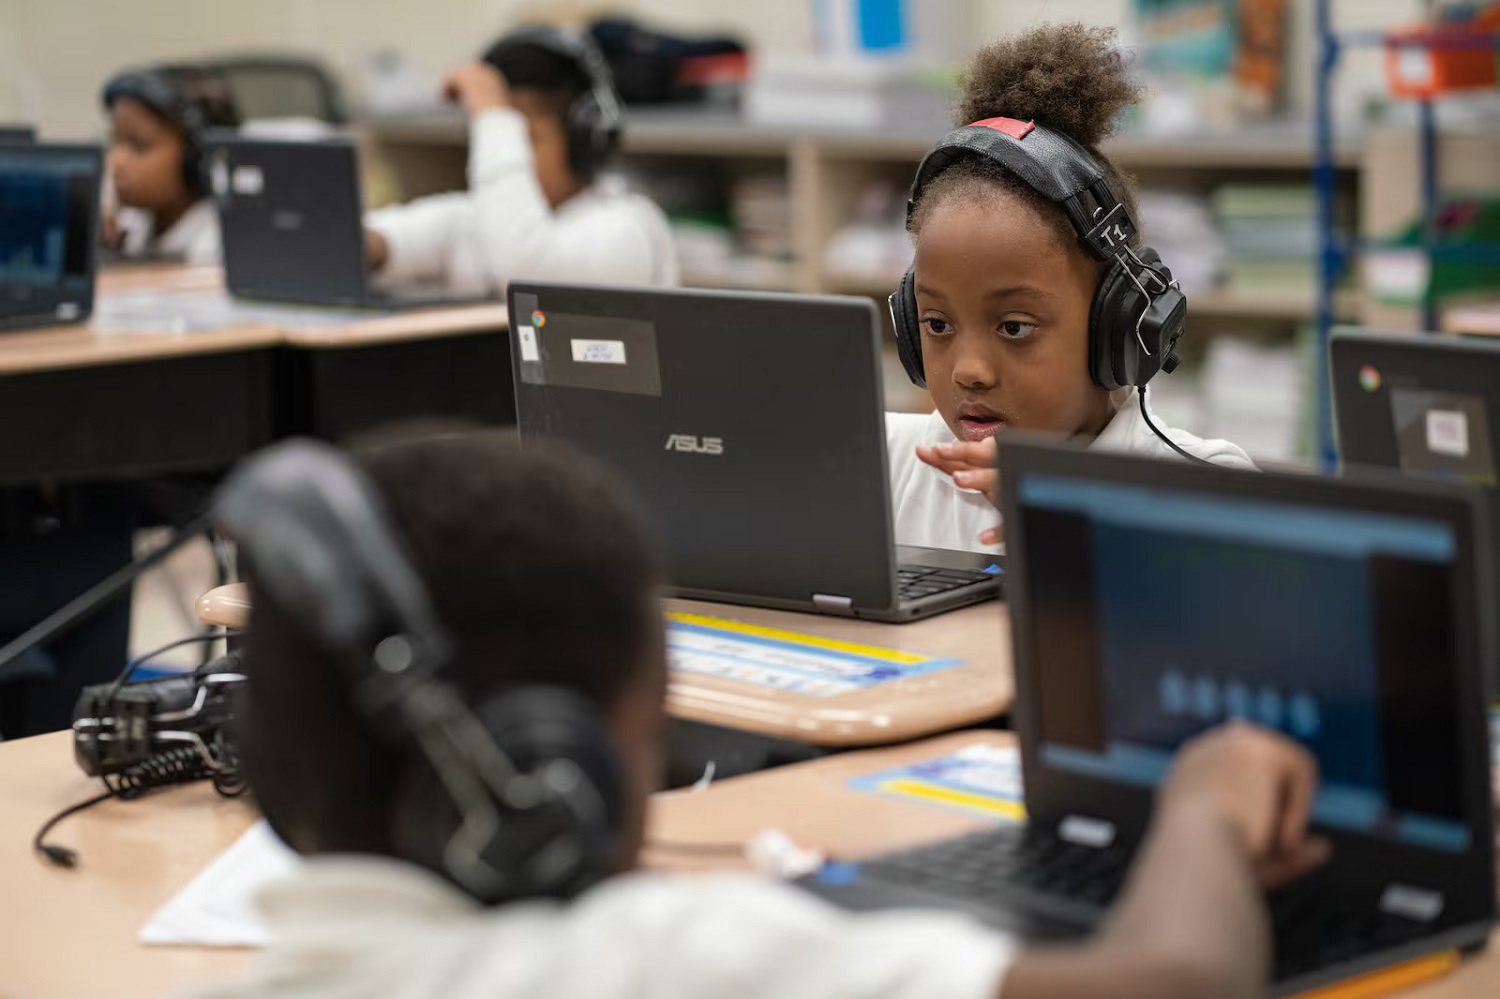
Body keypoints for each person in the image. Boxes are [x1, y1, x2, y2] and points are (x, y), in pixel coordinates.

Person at [191, 429, 1327, 999]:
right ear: (559, 775)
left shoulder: (267, 973)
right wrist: (1206, 813)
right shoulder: (651, 961)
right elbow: (1178, 986)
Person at [885, 24, 1253, 555]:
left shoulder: (1210, 488)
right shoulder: (890, 464)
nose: (967, 370)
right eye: (937, 325)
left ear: (1121, 326)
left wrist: (1068, 524)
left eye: (1014, 327)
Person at [363, 27, 679, 295]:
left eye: (523, 137)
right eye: (499, 138)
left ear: (585, 140)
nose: (508, 154)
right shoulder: (480, 219)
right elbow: (376, 240)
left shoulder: (629, 230)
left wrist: (494, 114)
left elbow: (524, 272)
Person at [101, 65, 240, 265]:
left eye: (139, 145)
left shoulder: (215, 246)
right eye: (114, 142)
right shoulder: (129, 228)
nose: (115, 161)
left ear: (197, 158)